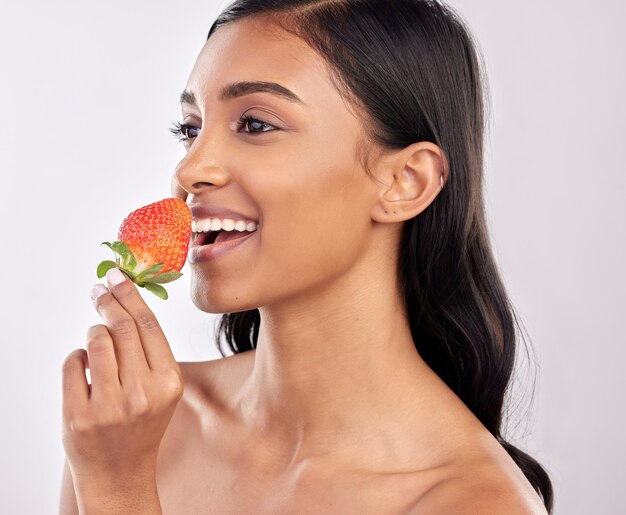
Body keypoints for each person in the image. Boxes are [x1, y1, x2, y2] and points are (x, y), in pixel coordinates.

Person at [60, 0, 554, 513]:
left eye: (255, 124)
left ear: (405, 182)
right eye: (190, 129)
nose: (189, 171)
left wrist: (118, 491)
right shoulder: (134, 425)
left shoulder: (473, 502)